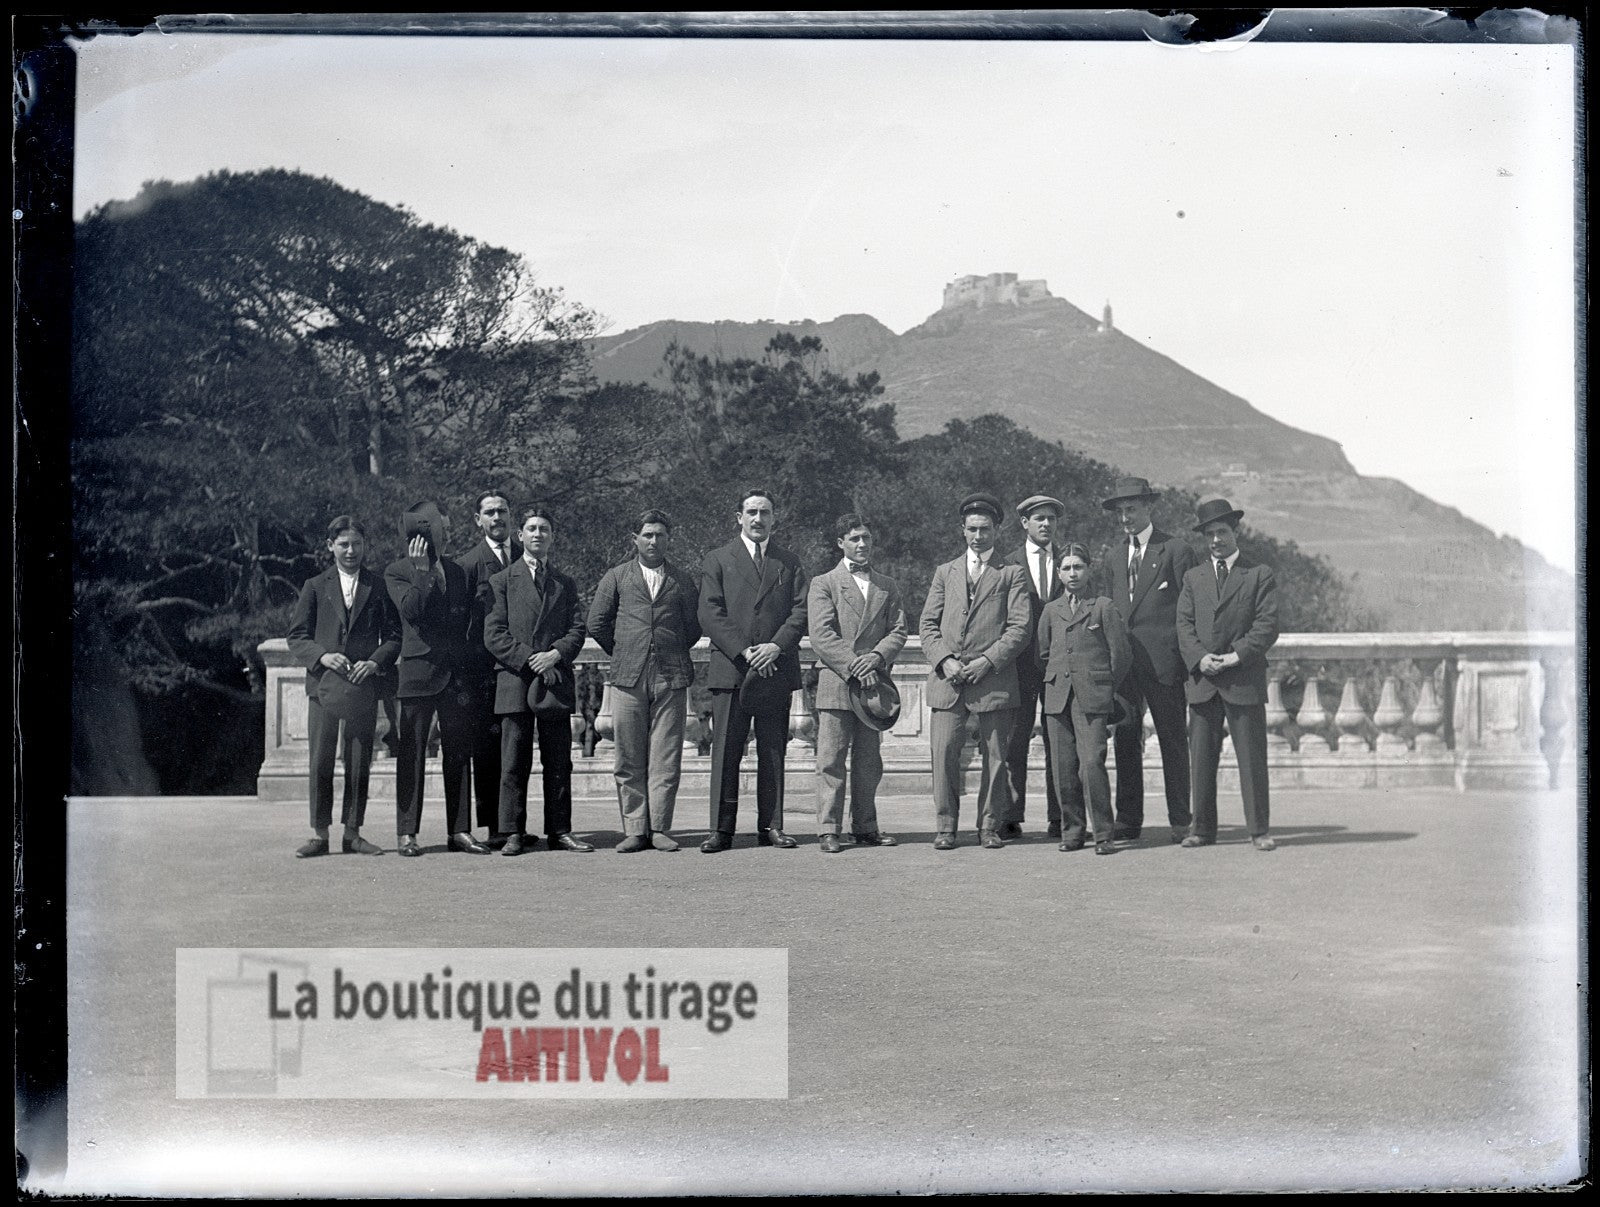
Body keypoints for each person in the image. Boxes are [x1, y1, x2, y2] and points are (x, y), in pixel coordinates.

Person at [697, 488, 809, 852]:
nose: (758, 519)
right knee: (726, 750)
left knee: (774, 750)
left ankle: (772, 826)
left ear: (774, 518)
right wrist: (744, 651)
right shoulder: (717, 559)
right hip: (732, 668)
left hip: (774, 668)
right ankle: (721, 829)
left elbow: (800, 611)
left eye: (765, 512)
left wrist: (775, 646)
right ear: (738, 518)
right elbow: (710, 612)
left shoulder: (789, 562)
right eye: (751, 512)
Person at [919, 492, 1031, 850]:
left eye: (984, 529)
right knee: (944, 754)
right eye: (972, 529)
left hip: (993, 681)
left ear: (996, 530)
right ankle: (946, 827)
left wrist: (987, 661)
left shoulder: (1011, 573)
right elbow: (927, 625)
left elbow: (1020, 628)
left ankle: (988, 826)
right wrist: (944, 660)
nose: (978, 536)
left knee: (996, 759)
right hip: (947, 683)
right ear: (962, 530)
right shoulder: (944, 572)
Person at [586, 508, 701, 852]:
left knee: (666, 756)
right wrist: (625, 650)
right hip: (627, 676)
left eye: (660, 535)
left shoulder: (682, 580)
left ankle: (661, 827)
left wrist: (670, 649)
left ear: (669, 539)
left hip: (671, 676)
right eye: (647, 534)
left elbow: (693, 628)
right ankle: (635, 828)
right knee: (628, 757)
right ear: (634, 539)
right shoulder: (617, 577)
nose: (653, 540)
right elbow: (597, 624)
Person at [286, 515, 401, 857]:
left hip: (362, 686)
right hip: (324, 687)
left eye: (357, 544)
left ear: (366, 546)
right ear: (330, 547)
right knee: (321, 760)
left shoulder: (378, 586)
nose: (351, 551)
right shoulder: (315, 586)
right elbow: (297, 636)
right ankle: (320, 835)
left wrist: (374, 662)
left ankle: (353, 833)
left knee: (358, 759)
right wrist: (322, 656)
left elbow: (394, 637)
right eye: (344, 544)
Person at [484, 504, 590, 856]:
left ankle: (560, 830)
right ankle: (512, 830)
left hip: (554, 680)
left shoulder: (565, 583)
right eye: (531, 529)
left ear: (552, 537)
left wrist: (555, 655)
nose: (537, 535)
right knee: (513, 761)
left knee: (559, 760)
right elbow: (494, 634)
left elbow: (578, 629)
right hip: (516, 679)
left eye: (544, 529)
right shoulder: (502, 581)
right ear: (520, 535)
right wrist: (533, 659)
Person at [1176, 497, 1281, 851]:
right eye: (1210, 534)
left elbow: (1267, 625)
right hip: (1204, 681)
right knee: (1201, 760)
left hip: (1242, 678)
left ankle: (1258, 830)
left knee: (1251, 758)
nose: (1216, 540)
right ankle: (1201, 830)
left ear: (1235, 532)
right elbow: (1184, 625)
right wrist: (1199, 658)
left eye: (1222, 532)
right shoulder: (1193, 577)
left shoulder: (1258, 574)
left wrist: (1237, 657)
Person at [384, 501, 484, 857]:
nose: (442, 535)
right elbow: (411, 612)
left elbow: (465, 625)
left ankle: (459, 830)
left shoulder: (458, 572)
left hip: (454, 676)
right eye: (435, 529)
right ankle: (407, 832)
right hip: (417, 674)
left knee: (458, 753)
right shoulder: (397, 572)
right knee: (411, 753)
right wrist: (422, 571)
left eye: (445, 529)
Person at [1104, 476, 1199, 844]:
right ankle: (1128, 821)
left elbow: (1188, 610)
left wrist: (1182, 660)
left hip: (1164, 665)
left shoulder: (1175, 550)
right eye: (1121, 511)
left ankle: (1181, 820)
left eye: (1132, 509)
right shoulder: (1113, 556)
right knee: (1125, 741)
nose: (1126, 517)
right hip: (1125, 666)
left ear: (1148, 508)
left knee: (1173, 741)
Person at [807, 513, 909, 853]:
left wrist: (876, 659)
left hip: (873, 687)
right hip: (837, 681)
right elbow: (821, 635)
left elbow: (899, 630)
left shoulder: (887, 585)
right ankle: (828, 830)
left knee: (869, 762)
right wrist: (854, 665)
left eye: (866, 538)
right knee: (831, 759)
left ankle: (866, 827)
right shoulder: (824, 583)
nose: (862, 544)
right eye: (854, 539)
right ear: (841, 543)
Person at [1037, 543, 1132, 855]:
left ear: (1089, 570)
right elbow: (1044, 653)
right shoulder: (1051, 610)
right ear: (1059, 573)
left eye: (1078, 566)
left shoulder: (1102, 606)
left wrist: (1102, 686)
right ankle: (1073, 832)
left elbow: (1121, 656)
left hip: (1092, 697)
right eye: (1066, 568)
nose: (1072, 573)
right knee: (1063, 769)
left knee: (1091, 764)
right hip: (1057, 698)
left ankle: (1104, 834)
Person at [457, 491, 520, 847]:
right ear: (477, 520)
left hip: (519, 668)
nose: (498, 517)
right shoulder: (468, 565)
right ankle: (496, 826)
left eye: (503, 511)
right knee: (488, 749)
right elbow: (463, 625)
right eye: (490, 512)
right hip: (483, 674)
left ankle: (516, 822)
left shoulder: (527, 556)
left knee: (518, 748)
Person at [1001, 494, 1066, 838]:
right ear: (1024, 523)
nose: (1045, 524)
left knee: (1059, 740)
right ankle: (1011, 814)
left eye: (1051, 519)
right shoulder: (1008, 564)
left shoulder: (1069, 562)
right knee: (1015, 741)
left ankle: (1059, 816)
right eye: (1038, 518)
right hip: (1019, 666)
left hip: (1059, 665)